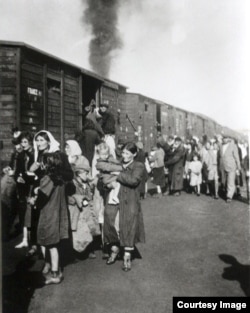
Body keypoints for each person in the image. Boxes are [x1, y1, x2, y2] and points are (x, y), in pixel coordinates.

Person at [30, 130, 73, 285]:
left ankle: (55, 269)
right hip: (48, 197)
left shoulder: (58, 156)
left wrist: (37, 195)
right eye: (37, 141)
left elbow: (68, 176)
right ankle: (49, 264)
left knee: (50, 237)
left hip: (49, 202)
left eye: (42, 140)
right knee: (46, 236)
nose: (39, 143)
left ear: (49, 141)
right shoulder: (41, 156)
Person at [103, 142, 145, 272]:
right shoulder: (117, 163)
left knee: (128, 225)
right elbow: (104, 178)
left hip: (130, 200)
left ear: (134, 154)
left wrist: (117, 174)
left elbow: (133, 180)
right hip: (114, 198)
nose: (124, 156)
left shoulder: (138, 165)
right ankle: (114, 248)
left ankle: (127, 255)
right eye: (123, 153)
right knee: (110, 222)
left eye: (128, 153)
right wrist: (108, 184)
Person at [14, 132, 35, 251]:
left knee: (30, 213)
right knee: (23, 212)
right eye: (22, 142)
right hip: (22, 187)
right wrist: (18, 176)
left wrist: (25, 177)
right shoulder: (22, 155)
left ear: (31, 142)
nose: (23, 144)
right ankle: (25, 239)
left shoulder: (34, 155)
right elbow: (18, 170)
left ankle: (33, 241)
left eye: (25, 142)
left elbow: (34, 174)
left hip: (31, 186)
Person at [219, 135, 241, 203]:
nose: (224, 139)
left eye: (225, 138)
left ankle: (229, 196)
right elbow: (220, 157)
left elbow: (237, 157)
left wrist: (238, 167)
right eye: (223, 138)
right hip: (223, 166)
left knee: (230, 181)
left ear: (229, 139)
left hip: (231, 166)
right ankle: (227, 192)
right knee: (223, 181)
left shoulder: (233, 146)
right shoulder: (221, 146)